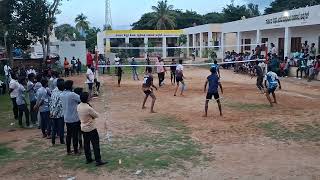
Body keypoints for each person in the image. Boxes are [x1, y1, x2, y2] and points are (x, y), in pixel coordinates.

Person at [77, 92, 107, 166]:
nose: (90, 97)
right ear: (87, 99)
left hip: (83, 128)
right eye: (89, 97)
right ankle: (98, 160)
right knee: (95, 144)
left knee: (86, 144)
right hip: (91, 128)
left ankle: (88, 159)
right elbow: (96, 115)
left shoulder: (79, 106)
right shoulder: (88, 107)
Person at [62, 80, 81, 155]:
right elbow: (81, 99)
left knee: (69, 135)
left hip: (66, 117)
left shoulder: (62, 94)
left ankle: (68, 150)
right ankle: (76, 150)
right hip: (74, 118)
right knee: (75, 135)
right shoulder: (72, 94)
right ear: (71, 86)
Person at [49, 79, 65, 146]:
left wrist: (51, 112)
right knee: (61, 128)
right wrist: (54, 114)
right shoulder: (61, 94)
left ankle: (53, 142)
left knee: (54, 128)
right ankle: (61, 141)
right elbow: (58, 106)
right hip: (59, 114)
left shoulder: (53, 92)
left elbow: (50, 102)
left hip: (52, 112)